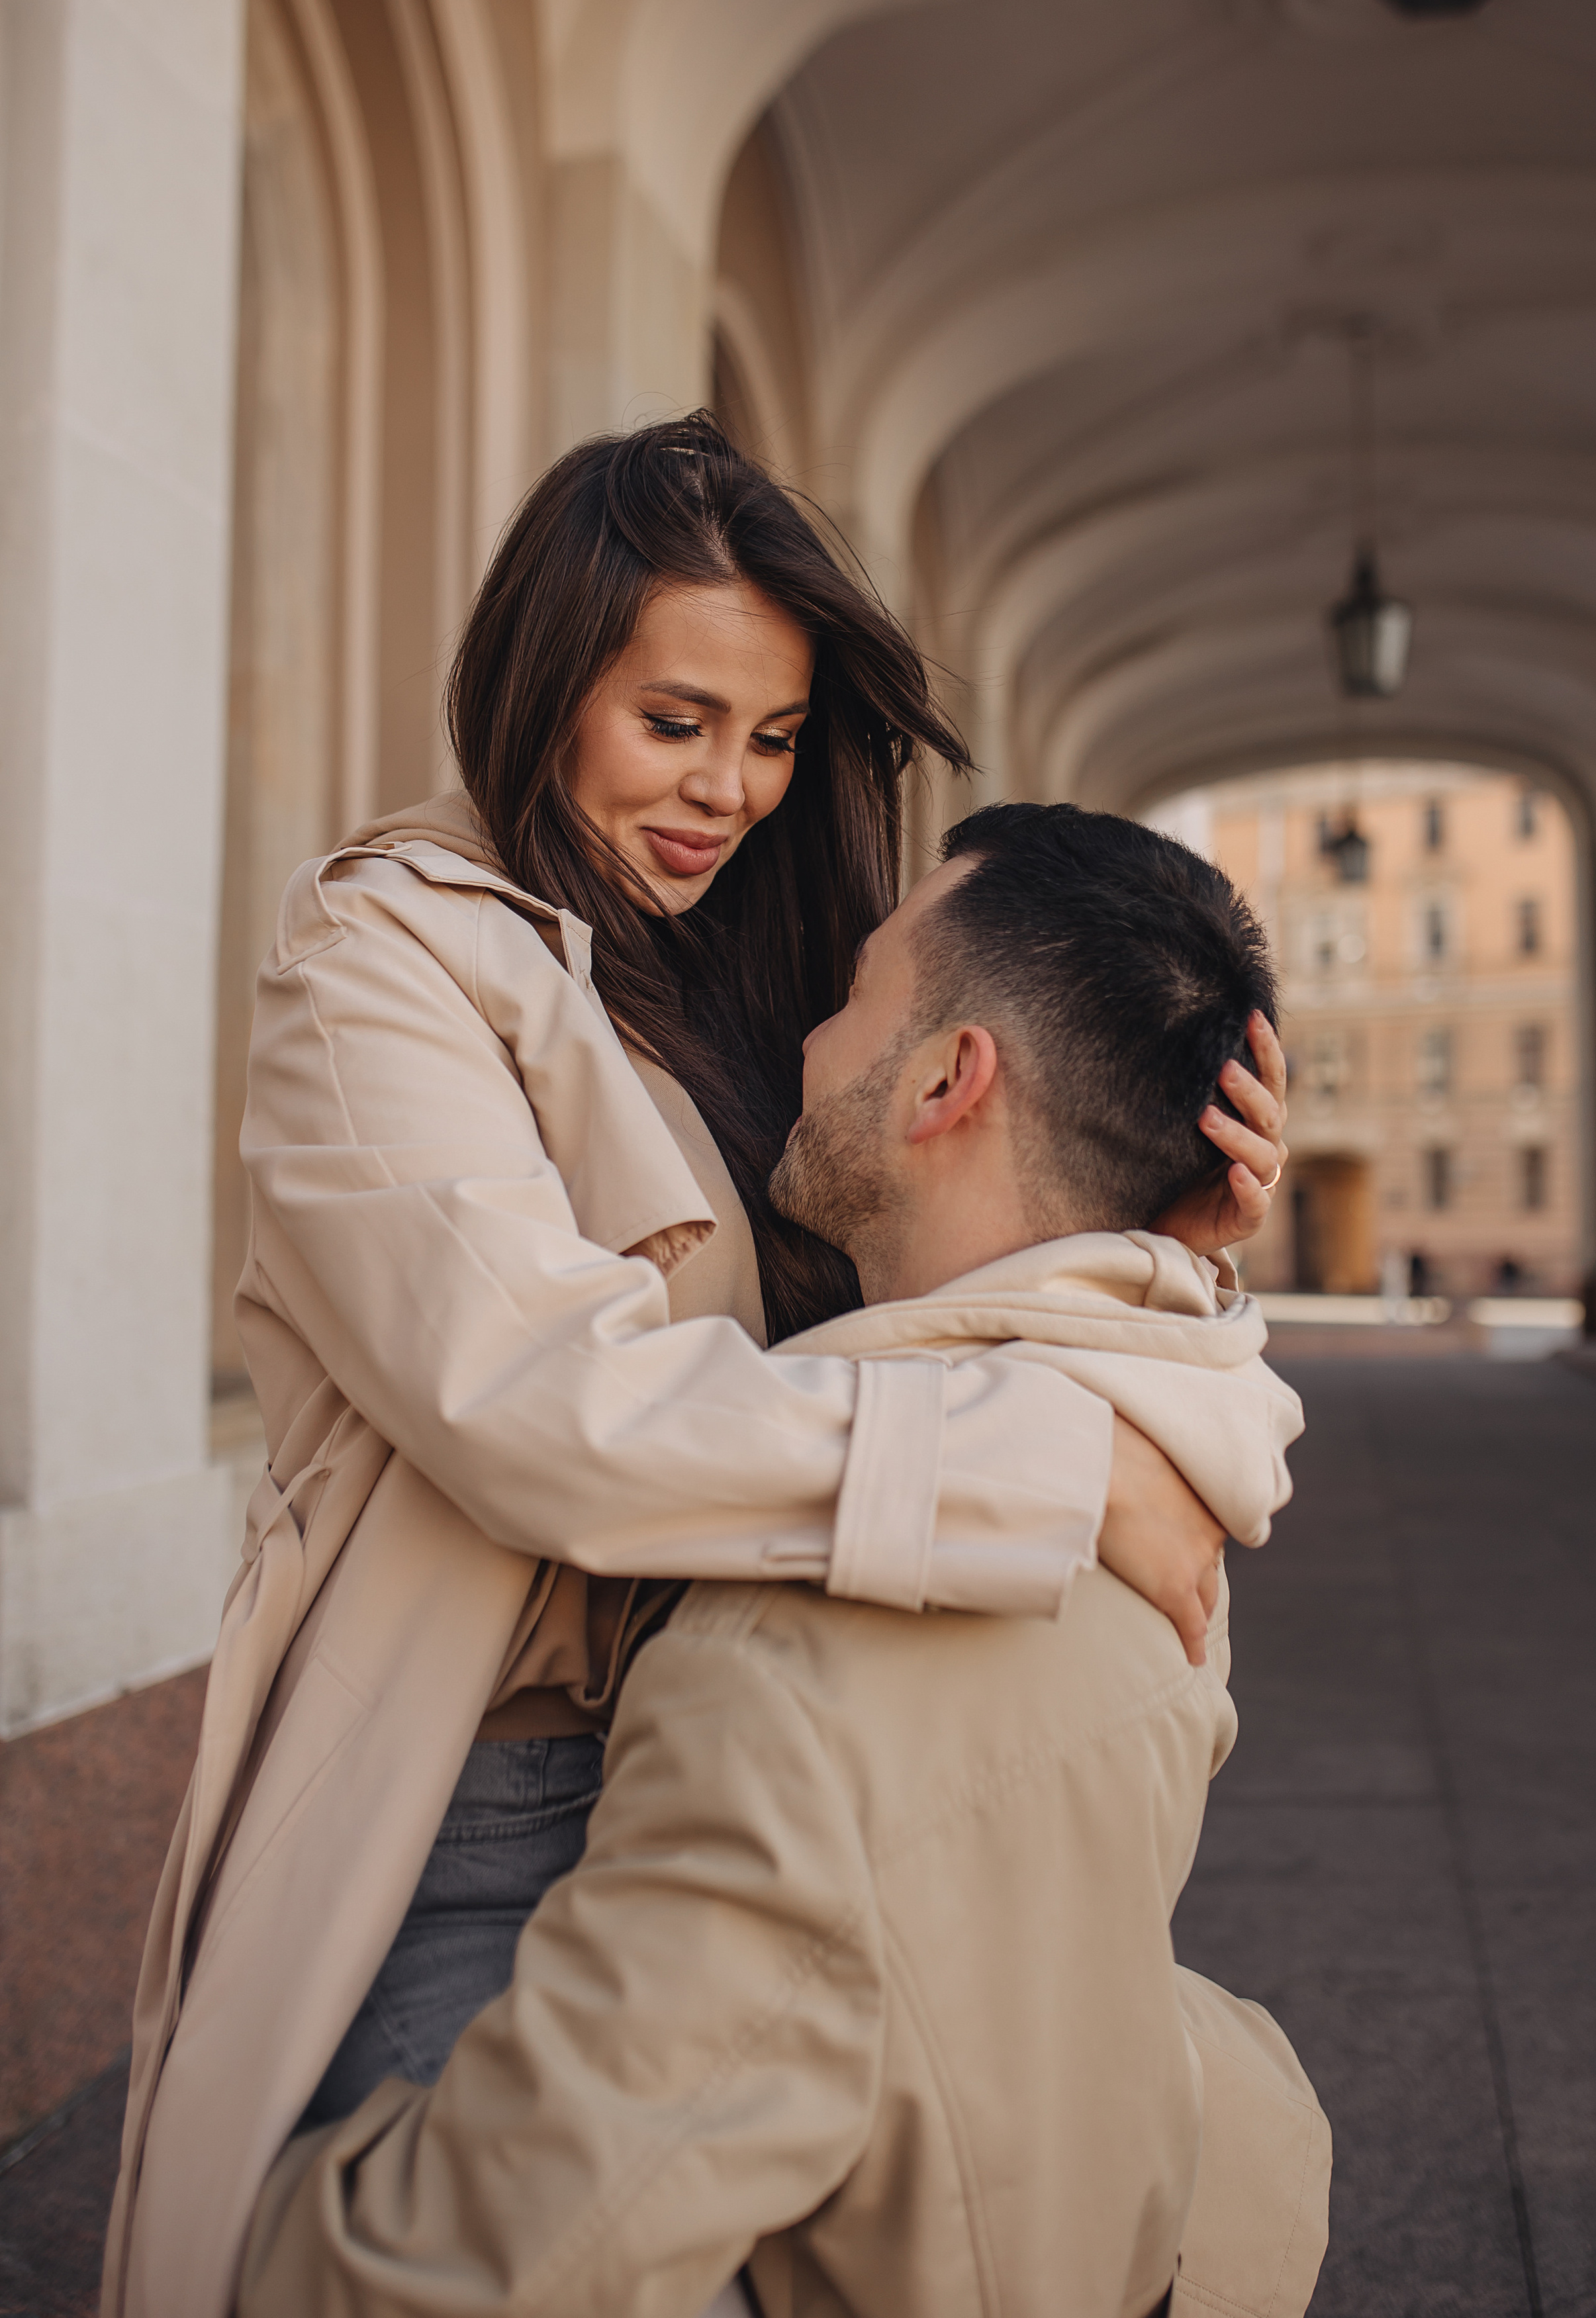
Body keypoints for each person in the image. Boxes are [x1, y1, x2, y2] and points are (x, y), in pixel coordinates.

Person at [103, 420, 1290, 2318]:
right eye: (676, 721)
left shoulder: (780, 976)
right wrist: (1051, 1468)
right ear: (543, 682)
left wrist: (1164, 1249)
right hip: (494, 1801)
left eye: (774, 735)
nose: (728, 788)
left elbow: (955, 1260)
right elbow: (542, 1417)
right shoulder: (385, 963)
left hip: (782, 1771)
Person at [236, 804, 1327, 2318]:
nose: (805, 1036)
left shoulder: (792, 1661)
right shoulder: (1166, 1470)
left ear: (947, 1078)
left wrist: (249, 2249)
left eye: (854, 992)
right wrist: (1172, 1237)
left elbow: (519, 2250)